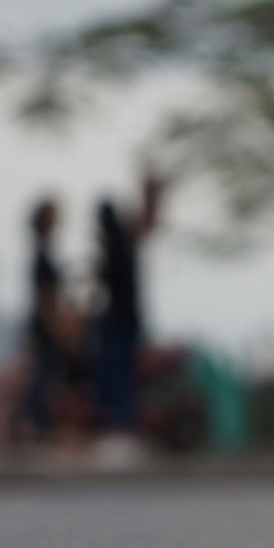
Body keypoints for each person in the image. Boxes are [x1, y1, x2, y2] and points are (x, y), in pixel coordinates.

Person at [92, 171, 165, 455]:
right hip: (127, 317)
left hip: (118, 320)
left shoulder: (114, 247)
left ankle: (120, 425)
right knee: (122, 373)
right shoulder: (124, 243)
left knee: (116, 374)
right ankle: (121, 424)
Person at [21, 195, 85, 441]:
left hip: (47, 325)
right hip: (45, 328)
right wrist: (57, 328)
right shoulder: (41, 256)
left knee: (46, 377)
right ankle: (35, 426)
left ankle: (39, 425)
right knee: (43, 378)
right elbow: (45, 298)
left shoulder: (45, 252)